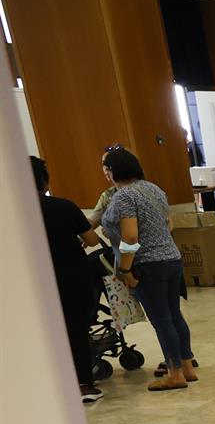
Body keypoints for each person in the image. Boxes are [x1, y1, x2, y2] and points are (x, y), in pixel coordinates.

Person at [102, 148, 196, 392]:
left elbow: (131, 235)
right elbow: (167, 223)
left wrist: (125, 269)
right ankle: (187, 366)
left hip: (147, 264)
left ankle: (174, 374)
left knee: (161, 320)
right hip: (170, 258)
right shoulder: (153, 189)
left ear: (112, 172)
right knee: (174, 315)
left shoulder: (124, 196)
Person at [33, 155, 108, 403]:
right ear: (44, 182)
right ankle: (85, 385)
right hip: (71, 278)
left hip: (35, 282)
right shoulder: (64, 206)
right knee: (76, 330)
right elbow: (92, 240)